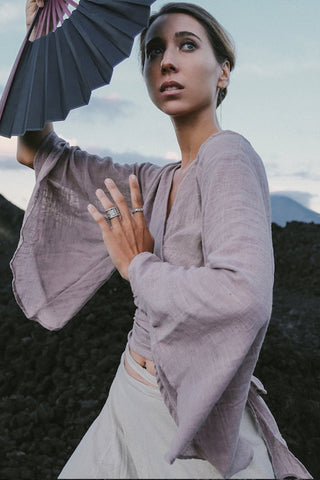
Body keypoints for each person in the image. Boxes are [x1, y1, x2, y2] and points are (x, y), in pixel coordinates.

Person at [13, 1, 312, 479]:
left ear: (223, 74)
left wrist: (138, 266)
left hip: (184, 422)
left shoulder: (228, 156)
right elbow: (35, 150)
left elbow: (245, 297)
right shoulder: (150, 182)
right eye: (153, 52)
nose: (166, 60)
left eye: (186, 45)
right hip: (128, 398)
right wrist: (40, 43)